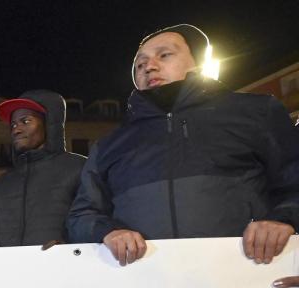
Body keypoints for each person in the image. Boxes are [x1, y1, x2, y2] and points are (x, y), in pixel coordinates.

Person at [67, 24, 299, 266]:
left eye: (164, 55)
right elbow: (82, 214)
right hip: (143, 284)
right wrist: (108, 232)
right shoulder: (110, 144)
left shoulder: (256, 113)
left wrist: (283, 218)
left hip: (244, 277)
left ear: (199, 62)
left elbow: (293, 179)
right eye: (139, 64)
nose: (149, 66)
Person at [0, 91, 86, 247]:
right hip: (12, 271)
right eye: (13, 124)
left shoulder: (79, 167)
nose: (16, 130)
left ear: (48, 123)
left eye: (26, 121)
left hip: (65, 269)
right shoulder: (0, 185)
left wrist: (67, 249)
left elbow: (95, 222)